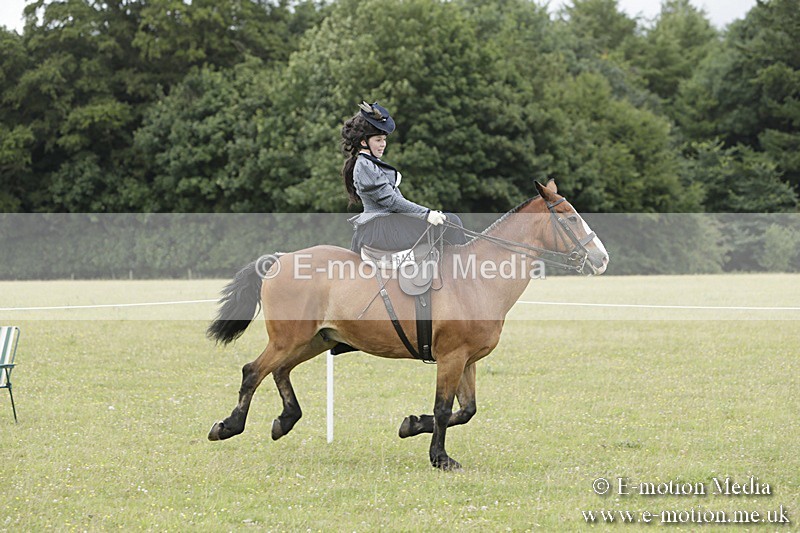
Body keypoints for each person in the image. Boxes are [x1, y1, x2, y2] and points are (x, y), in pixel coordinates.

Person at [341, 101, 467, 253]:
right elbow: (392, 201)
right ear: (363, 142)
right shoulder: (364, 166)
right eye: (378, 140)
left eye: (384, 139)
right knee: (451, 222)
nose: (383, 144)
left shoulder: (371, 163)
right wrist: (426, 214)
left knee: (448, 222)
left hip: (388, 224)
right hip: (381, 228)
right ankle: (463, 265)